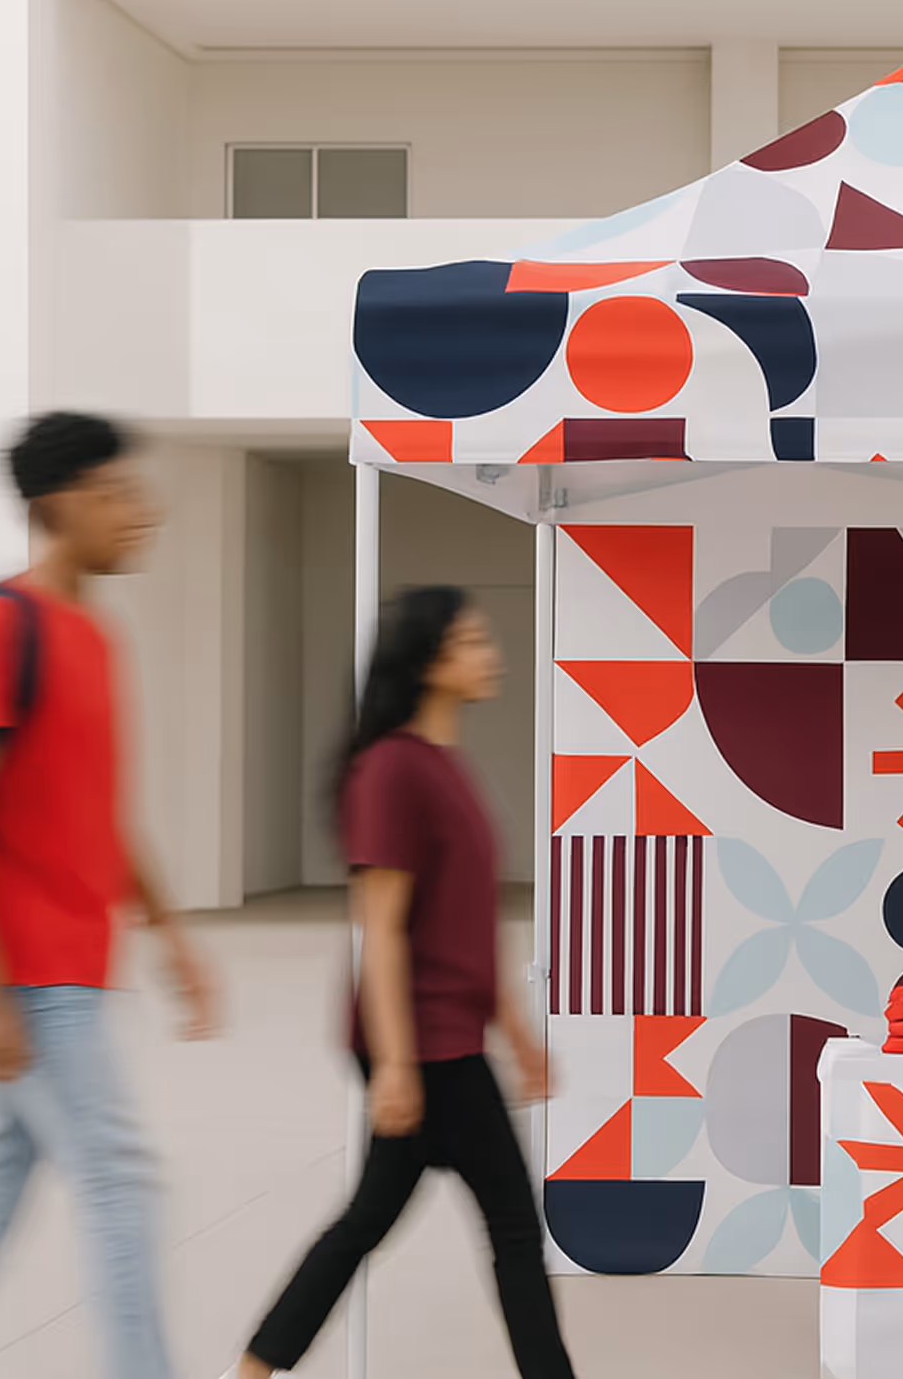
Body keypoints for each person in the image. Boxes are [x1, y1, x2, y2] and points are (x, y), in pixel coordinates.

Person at [0, 412, 219, 1379]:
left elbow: (96, 813)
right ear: (59, 506)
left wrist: (171, 934)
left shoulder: (91, 634)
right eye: (117, 493)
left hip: (68, 967)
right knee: (119, 1180)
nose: (142, 512)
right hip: (27, 976)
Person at [226, 586, 572, 1379]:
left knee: (371, 1221)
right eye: (472, 642)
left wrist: (518, 1032)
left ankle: (251, 1370)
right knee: (510, 1229)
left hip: (444, 1039)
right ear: (429, 662)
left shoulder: (442, 765)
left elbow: (469, 923)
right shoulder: (390, 771)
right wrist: (393, 1063)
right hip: (424, 1045)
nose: (491, 655)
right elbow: (378, 929)